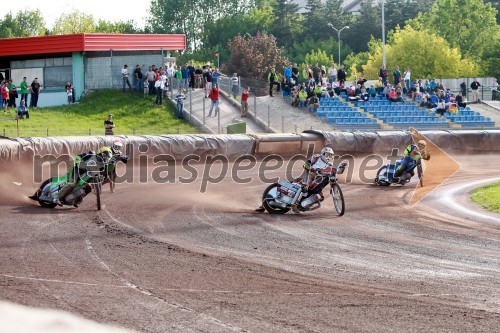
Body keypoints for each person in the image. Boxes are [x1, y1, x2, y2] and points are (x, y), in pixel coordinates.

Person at [255, 147, 335, 213]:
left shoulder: (330, 164)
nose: (329, 157)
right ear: (323, 154)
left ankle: (304, 205)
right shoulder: (316, 157)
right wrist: (306, 180)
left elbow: (329, 174)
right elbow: (306, 165)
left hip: (317, 180)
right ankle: (292, 205)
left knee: (320, 196)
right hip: (308, 174)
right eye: (327, 154)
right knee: (300, 185)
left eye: (330, 155)